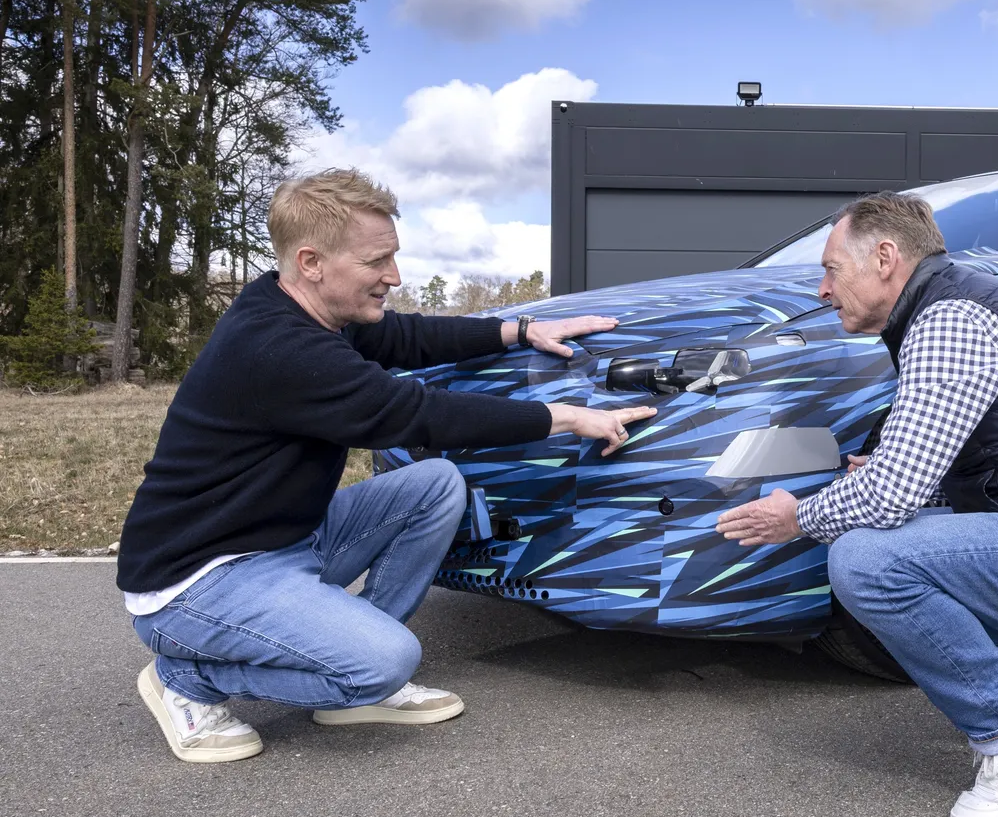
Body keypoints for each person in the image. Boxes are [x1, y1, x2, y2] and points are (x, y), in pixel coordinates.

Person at [118, 168, 654, 764]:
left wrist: (524, 330)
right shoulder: (280, 349)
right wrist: (569, 417)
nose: (393, 277)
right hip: (202, 580)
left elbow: (411, 337)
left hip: (285, 538)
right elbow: (416, 414)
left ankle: (349, 675)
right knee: (389, 659)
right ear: (312, 261)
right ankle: (187, 681)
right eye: (377, 262)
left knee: (434, 485)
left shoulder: (301, 306)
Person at [715, 191, 998, 817]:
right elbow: (958, 465)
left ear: (885, 258)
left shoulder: (952, 319)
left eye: (831, 269)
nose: (821, 289)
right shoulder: (950, 306)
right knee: (880, 529)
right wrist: (890, 481)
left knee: (865, 558)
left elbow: (893, 493)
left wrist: (798, 516)